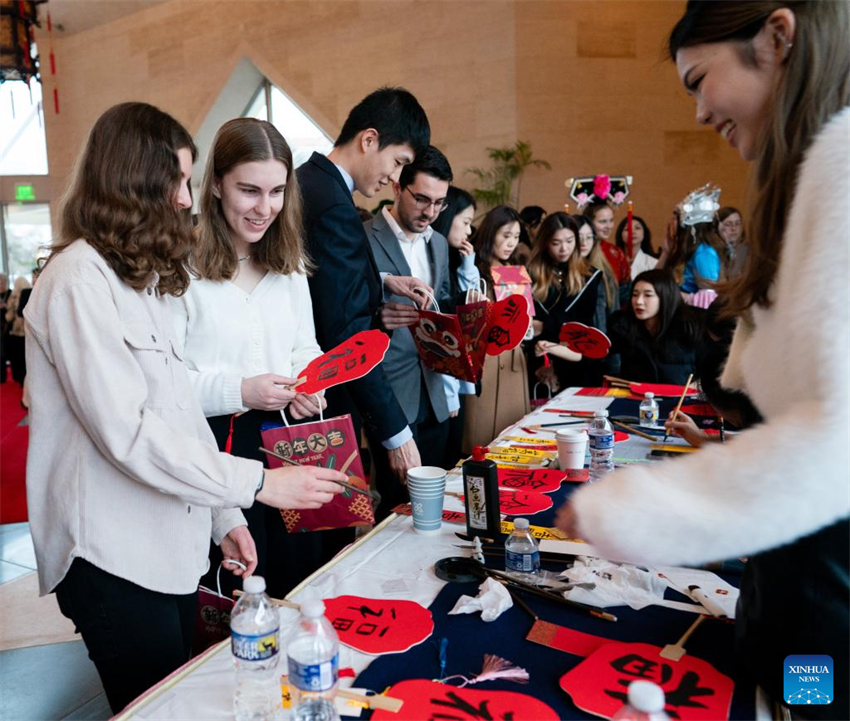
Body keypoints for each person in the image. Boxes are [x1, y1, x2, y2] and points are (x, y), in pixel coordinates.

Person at [559, 2, 849, 717]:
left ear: (777, 38)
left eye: (698, 80)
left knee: (811, 703)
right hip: (797, 592)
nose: (694, 112)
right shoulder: (813, 169)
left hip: (829, 612)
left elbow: (837, 435)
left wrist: (638, 508)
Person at [23, 102, 346, 713]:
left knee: (188, 695)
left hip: (164, 537)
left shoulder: (134, 279)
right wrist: (257, 483)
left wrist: (224, 515)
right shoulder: (76, 282)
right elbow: (131, 434)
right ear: (133, 182)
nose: (183, 198)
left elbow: (175, 410)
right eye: (176, 180)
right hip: (110, 551)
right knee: (155, 706)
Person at [173, 117, 342, 598]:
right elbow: (166, 384)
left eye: (277, 192)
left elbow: (303, 345)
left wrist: (311, 381)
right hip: (214, 448)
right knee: (237, 593)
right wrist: (241, 389)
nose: (264, 208)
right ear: (216, 185)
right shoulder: (181, 270)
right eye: (249, 190)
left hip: (287, 440)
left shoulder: (287, 264)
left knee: (299, 583)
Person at [297, 87, 433, 503]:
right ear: (369, 139)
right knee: (330, 540)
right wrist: (394, 434)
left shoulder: (311, 182)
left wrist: (383, 279)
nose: (394, 178)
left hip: (311, 392)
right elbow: (345, 328)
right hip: (324, 399)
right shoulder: (333, 206)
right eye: (398, 162)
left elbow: (323, 281)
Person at [364, 146, 455, 514]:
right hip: (390, 393)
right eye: (422, 199)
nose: (430, 212)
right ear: (397, 187)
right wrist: (377, 317)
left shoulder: (440, 243)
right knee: (396, 506)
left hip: (436, 392)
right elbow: (340, 316)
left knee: (439, 499)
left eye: (439, 203)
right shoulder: (363, 239)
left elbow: (442, 305)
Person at [465, 205, 530, 449]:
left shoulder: (515, 272)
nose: (511, 243)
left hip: (514, 357)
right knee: (480, 436)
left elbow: (526, 318)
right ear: (491, 232)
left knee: (511, 434)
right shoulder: (473, 268)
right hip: (486, 356)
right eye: (506, 236)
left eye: (516, 237)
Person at [527, 212, 607, 390]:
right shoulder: (529, 274)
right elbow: (528, 325)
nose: (564, 248)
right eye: (556, 243)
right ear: (545, 243)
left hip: (577, 363)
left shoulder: (589, 276)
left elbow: (581, 325)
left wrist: (544, 326)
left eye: (570, 241)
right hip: (537, 361)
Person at [431, 186, 479, 465]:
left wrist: (468, 264)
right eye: (466, 222)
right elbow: (446, 326)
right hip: (442, 382)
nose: (469, 232)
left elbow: (472, 307)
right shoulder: (436, 260)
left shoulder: (455, 259)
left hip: (454, 383)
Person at [607, 269, 705, 385]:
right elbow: (601, 351)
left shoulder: (691, 325)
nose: (639, 301)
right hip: (636, 398)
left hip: (682, 399)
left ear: (665, 296)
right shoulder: (622, 324)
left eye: (648, 295)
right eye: (635, 294)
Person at [584, 200, 630, 293]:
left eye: (611, 220)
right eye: (602, 221)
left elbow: (625, 288)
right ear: (589, 222)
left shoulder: (616, 252)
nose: (609, 226)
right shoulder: (582, 250)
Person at [576, 215, 618, 312]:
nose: (584, 242)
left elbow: (614, 307)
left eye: (589, 237)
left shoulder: (603, 269)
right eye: (579, 237)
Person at [614, 215, 665, 280]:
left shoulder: (654, 263)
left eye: (637, 228)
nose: (632, 232)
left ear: (644, 234)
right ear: (620, 235)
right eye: (627, 229)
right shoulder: (612, 261)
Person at [4, 276, 29, 385]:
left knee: (18, 357)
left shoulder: (13, 297)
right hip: (26, 332)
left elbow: (9, 317)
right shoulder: (31, 294)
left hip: (16, 331)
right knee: (25, 357)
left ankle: (19, 377)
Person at [716, 205, 748, 277]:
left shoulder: (748, 250)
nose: (734, 228)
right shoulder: (712, 252)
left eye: (737, 224)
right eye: (728, 224)